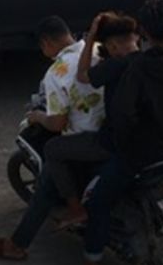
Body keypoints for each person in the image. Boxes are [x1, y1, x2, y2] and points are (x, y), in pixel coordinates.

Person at [73, 0, 163, 265]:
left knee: (97, 202)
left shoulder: (135, 68)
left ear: (142, 31)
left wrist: (125, 145)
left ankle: (92, 264)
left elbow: (122, 115)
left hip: (142, 157)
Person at [0, 16, 102, 261]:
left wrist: (38, 117)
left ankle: (18, 244)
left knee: (49, 177)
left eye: (42, 47)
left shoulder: (56, 72)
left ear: (47, 43)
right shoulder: (97, 49)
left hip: (87, 142)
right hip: (115, 132)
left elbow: (57, 123)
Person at [45, 12, 140, 230]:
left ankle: (75, 209)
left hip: (113, 142)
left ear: (113, 47)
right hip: (149, 138)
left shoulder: (114, 66)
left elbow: (82, 75)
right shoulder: (147, 61)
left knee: (52, 149)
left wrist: (90, 39)